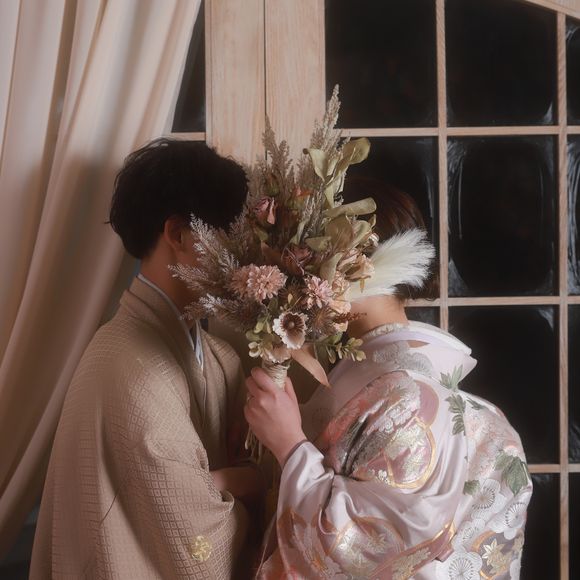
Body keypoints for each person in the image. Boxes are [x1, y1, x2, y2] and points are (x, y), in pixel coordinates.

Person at [245, 179, 532, 579]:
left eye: (309, 258)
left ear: (355, 261)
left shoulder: (410, 396)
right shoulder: (384, 379)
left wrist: (290, 446)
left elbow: (365, 548)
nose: (302, 280)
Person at [30, 139, 263, 579]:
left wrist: (223, 482)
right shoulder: (130, 371)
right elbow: (195, 546)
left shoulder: (220, 358)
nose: (244, 256)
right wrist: (246, 482)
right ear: (178, 234)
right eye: (230, 234)